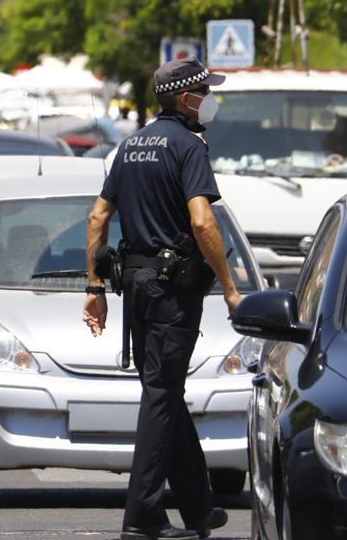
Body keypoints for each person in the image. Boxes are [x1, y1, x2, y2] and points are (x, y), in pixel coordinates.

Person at [83, 58, 242, 540]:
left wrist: (94, 288)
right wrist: (229, 288)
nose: (210, 99)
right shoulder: (188, 147)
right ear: (186, 98)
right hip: (172, 289)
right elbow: (202, 221)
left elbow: (97, 217)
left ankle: (198, 508)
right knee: (161, 394)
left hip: (134, 284)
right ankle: (143, 517)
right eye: (205, 92)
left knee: (163, 391)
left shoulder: (130, 146)